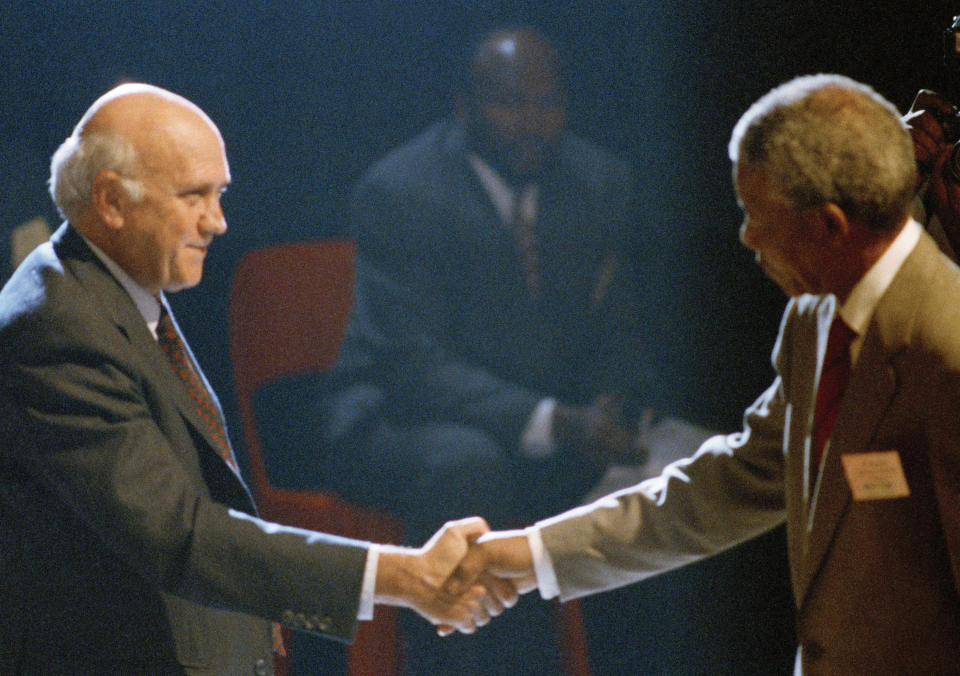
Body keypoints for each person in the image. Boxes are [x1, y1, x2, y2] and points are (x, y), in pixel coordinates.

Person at [0, 83, 515, 675]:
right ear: (112, 201)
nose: (217, 221)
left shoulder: (106, 284)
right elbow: (180, 535)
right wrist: (405, 576)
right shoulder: (58, 328)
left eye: (219, 194)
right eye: (194, 196)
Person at [453, 73, 960, 674]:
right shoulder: (814, 319)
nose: (746, 237)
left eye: (756, 215)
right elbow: (731, 483)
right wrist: (526, 554)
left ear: (828, 225)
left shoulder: (946, 352)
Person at [254, 24, 675, 673]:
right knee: (469, 467)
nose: (534, 123)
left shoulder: (598, 182)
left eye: (550, 103)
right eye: (511, 103)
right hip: (392, 414)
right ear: (464, 105)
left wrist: (619, 405)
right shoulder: (401, 191)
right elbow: (413, 367)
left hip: (532, 419)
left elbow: (615, 324)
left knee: (680, 471)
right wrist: (559, 423)